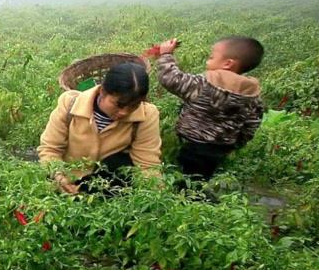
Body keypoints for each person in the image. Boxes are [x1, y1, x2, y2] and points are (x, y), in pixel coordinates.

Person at [150, 37, 264, 181]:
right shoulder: (252, 95)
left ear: (228, 64)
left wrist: (166, 55)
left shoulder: (204, 84)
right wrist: (236, 144)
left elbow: (171, 78)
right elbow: (252, 124)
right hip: (221, 147)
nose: (207, 61)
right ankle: (195, 194)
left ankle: (185, 197)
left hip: (191, 143)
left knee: (185, 178)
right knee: (201, 176)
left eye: (211, 57)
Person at [38, 62, 162, 194]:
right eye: (119, 105)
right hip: (68, 180)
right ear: (102, 91)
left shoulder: (146, 115)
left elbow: (147, 164)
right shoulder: (69, 104)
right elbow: (50, 149)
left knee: (120, 162)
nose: (124, 112)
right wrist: (59, 177)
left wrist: (157, 198)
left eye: (133, 106)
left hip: (109, 184)